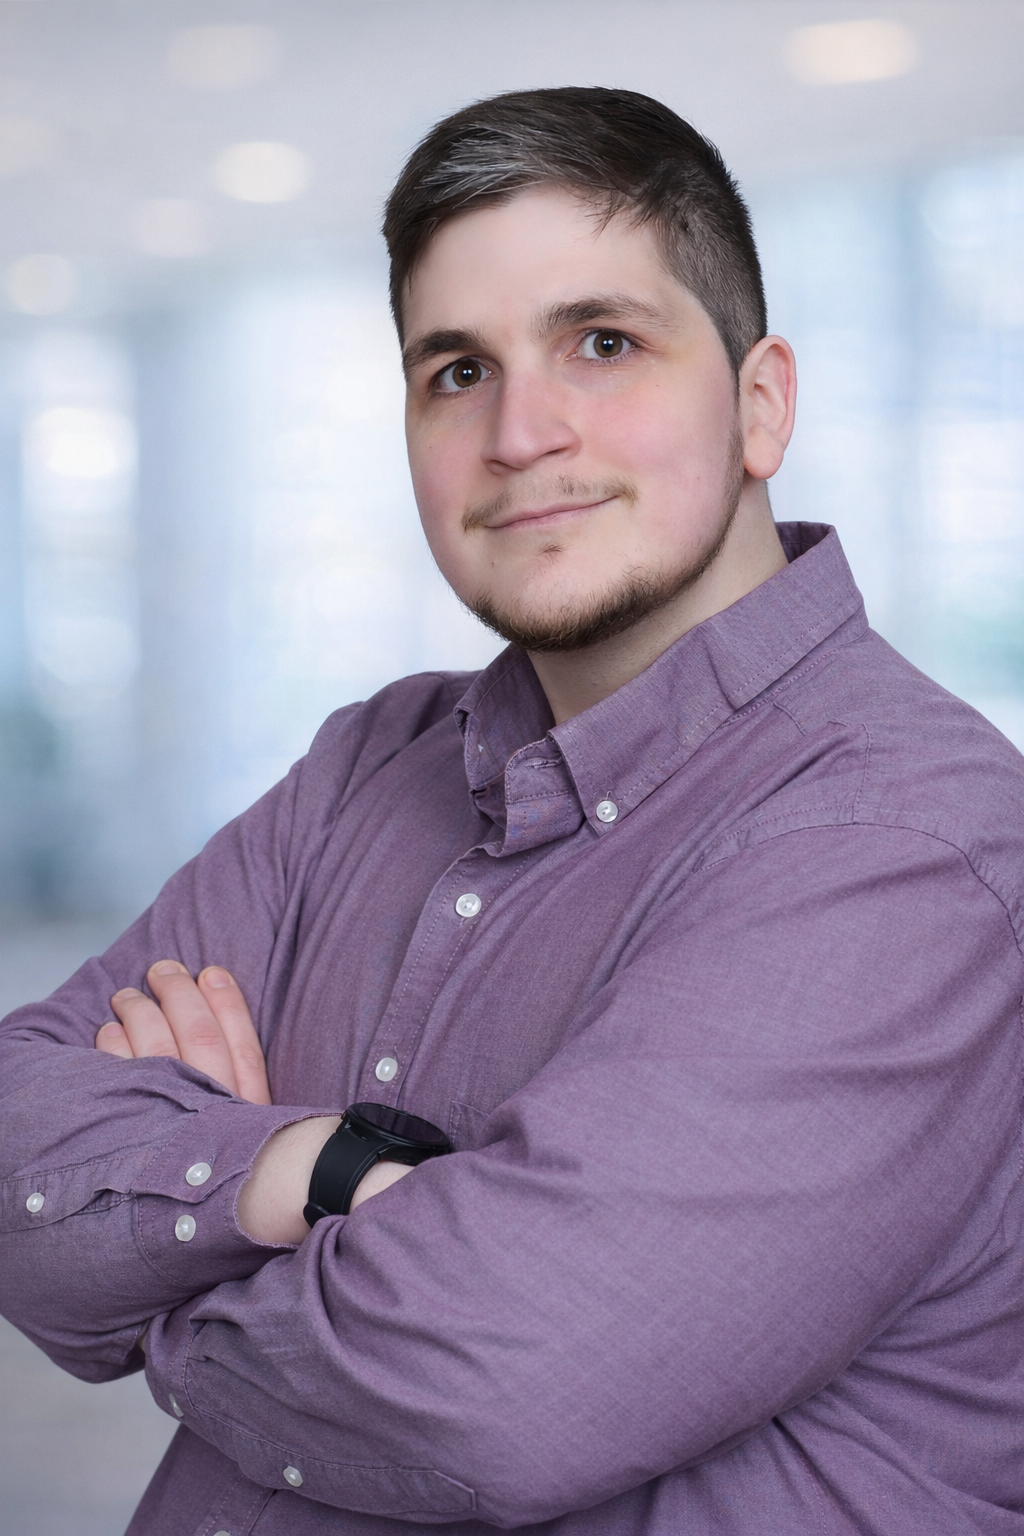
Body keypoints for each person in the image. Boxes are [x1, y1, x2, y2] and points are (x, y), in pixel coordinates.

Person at [1, 86, 1021, 1536]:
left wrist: (165, 1262)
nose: (520, 433)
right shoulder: (372, 761)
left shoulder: (904, 843)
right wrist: (314, 1171)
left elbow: (485, 1392)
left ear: (761, 403)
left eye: (602, 343)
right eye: (457, 371)